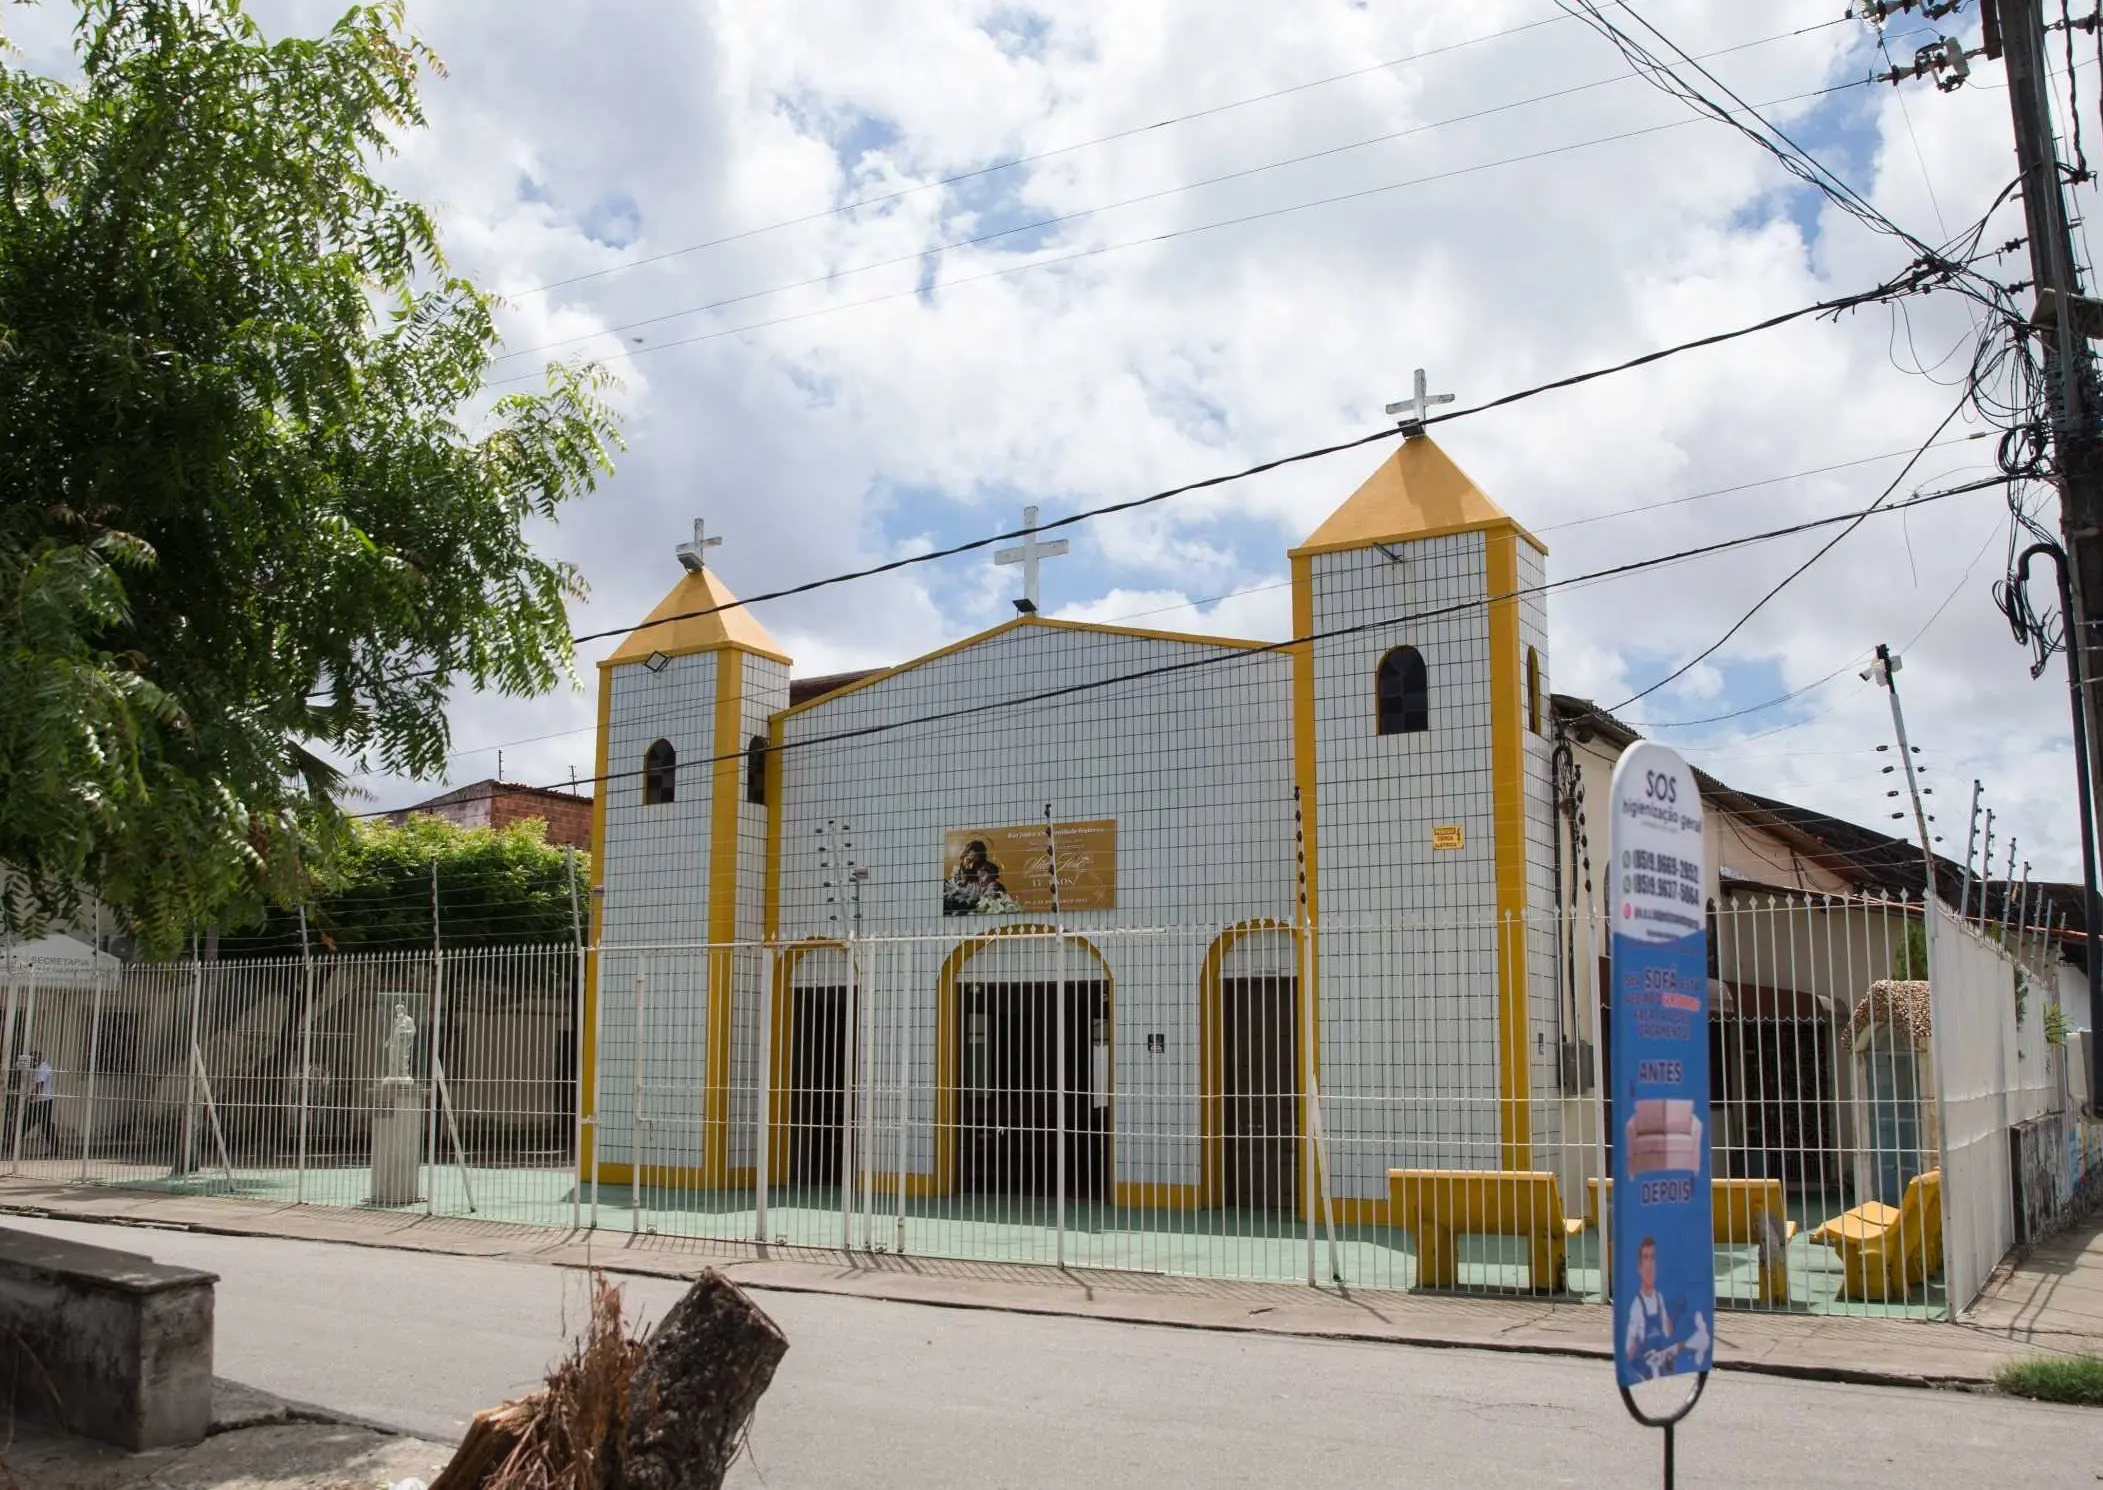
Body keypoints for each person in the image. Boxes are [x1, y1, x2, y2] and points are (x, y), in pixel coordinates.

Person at [1625, 1236, 1676, 1378]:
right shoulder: (1637, 1306)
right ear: (1639, 1267)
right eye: (1645, 1258)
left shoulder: (1660, 1299)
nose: (1649, 1264)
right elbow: (1628, 1350)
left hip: (1659, 1372)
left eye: (1653, 1258)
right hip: (1643, 1374)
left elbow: (1668, 1334)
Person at [21, 1051, 55, 1157]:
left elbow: (40, 1085)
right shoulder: (43, 1067)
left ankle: (12, 1144)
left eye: (33, 1059)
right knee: (44, 1126)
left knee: (26, 1123)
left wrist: (31, 1097)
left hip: (41, 1101)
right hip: (43, 1100)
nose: (32, 1061)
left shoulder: (42, 1068)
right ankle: (56, 1148)